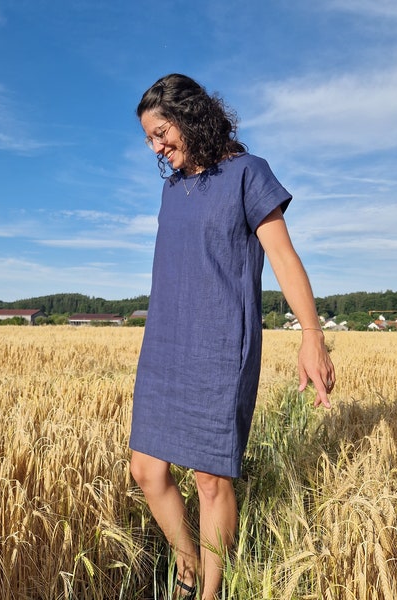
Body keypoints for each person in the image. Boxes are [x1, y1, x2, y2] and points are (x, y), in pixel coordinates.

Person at [129, 74, 335, 600]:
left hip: (220, 342)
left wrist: (312, 335)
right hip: (165, 344)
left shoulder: (248, 173)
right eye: (150, 139)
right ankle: (187, 563)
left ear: (188, 117)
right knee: (146, 470)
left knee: (210, 478)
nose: (156, 147)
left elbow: (285, 259)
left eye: (161, 133)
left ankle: (209, 591)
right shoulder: (172, 190)